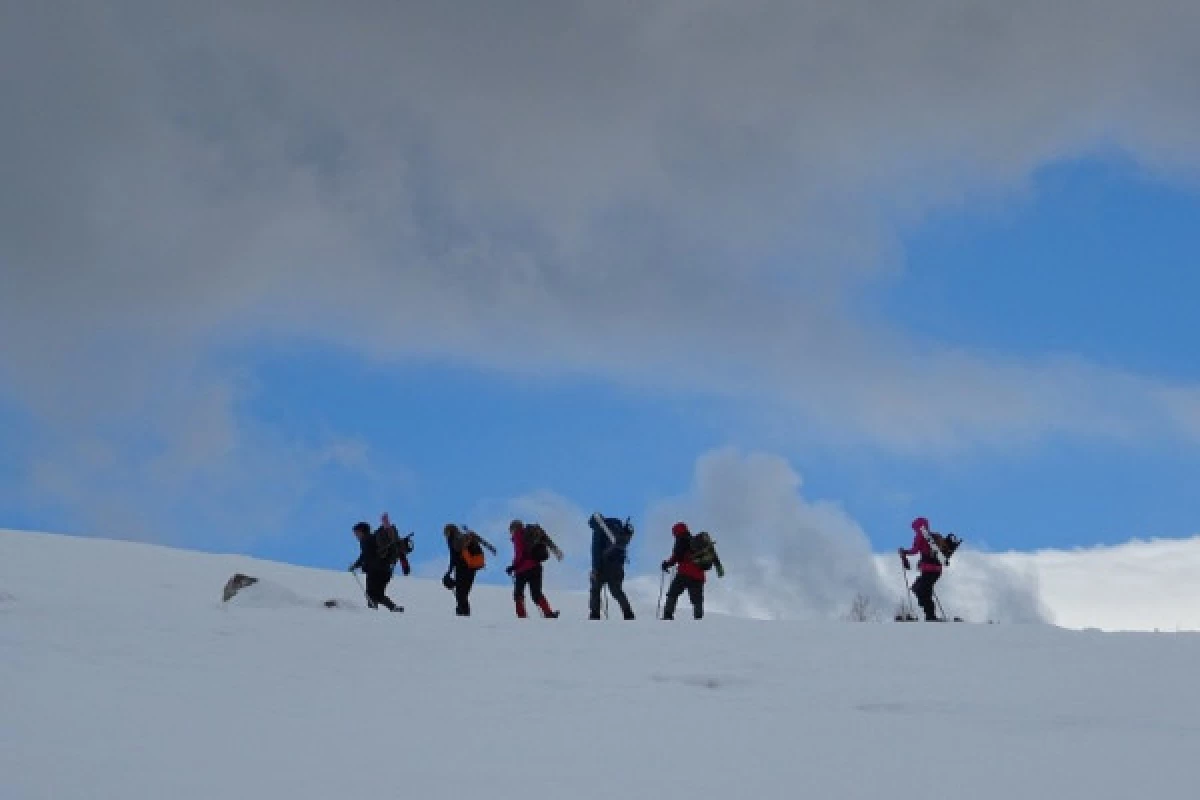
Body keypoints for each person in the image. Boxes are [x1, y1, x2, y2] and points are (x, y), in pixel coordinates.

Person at [660, 522, 723, 620]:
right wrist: (719, 568)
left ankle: (667, 616)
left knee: (673, 593)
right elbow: (712, 554)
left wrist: (666, 564)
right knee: (697, 600)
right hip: (698, 575)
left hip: (684, 574)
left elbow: (676, 556)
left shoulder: (681, 540)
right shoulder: (697, 542)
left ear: (676, 532)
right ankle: (698, 619)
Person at [348, 514, 410, 613]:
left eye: (356, 533)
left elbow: (365, 556)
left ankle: (373, 615)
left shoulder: (366, 540)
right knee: (378, 594)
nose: (356, 536)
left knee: (371, 594)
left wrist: (355, 565)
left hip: (375, 571)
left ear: (361, 532)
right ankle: (394, 608)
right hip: (386, 571)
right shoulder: (374, 538)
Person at [898, 516, 955, 621]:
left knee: (921, 590)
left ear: (916, 527)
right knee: (922, 589)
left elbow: (915, 550)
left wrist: (905, 552)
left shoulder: (920, 536)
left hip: (928, 570)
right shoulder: (933, 536)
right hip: (936, 570)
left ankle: (930, 615)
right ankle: (929, 614)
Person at [505, 519, 561, 619]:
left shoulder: (518, 535)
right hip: (536, 568)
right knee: (536, 593)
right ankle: (548, 613)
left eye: (511, 530)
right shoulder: (531, 534)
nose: (511, 533)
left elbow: (520, 554)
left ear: (514, 528)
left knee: (518, 594)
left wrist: (513, 567)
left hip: (522, 570)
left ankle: (522, 616)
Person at [588, 513, 635, 620]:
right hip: (618, 566)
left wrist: (595, 569)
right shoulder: (617, 527)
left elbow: (595, 551)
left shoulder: (599, 529)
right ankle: (628, 614)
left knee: (595, 589)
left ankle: (594, 615)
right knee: (617, 591)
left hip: (603, 566)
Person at [442, 524, 496, 617]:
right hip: (472, 567)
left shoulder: (453, 538)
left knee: (460, 592)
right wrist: (491, 548)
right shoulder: (466, 536)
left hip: (461, 568)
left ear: (448, 532)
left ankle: (462, 613)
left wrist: (449, 571)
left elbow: (453, 557)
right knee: (464, 592)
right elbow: (482, 541)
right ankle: (465, 613)